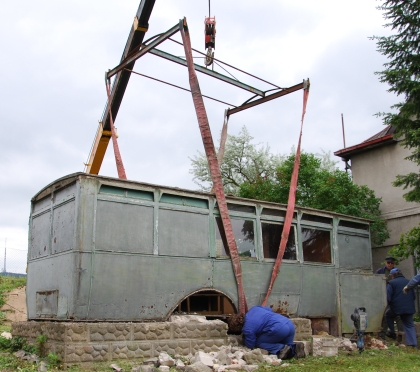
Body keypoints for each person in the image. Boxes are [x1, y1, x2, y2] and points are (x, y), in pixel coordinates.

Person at [240, 306, 305, 359]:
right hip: (289, 324)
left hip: (279, 328)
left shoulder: (247, 328)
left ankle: (281, 348)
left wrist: (245, 338)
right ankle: (296, 348)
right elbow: (269, 309)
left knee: (259, 342)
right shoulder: (254, 308)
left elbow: (251, 344)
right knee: (288, 348)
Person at [385, 268, 417, 347]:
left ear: (392, 275)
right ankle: (413, 344)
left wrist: (390, 306)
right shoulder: (409, 282)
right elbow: (414, 296)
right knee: (409, 325)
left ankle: (392, 332)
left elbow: (388, 297)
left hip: (397, 308)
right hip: (409, 308)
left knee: (388, 315)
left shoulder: (391, 283)